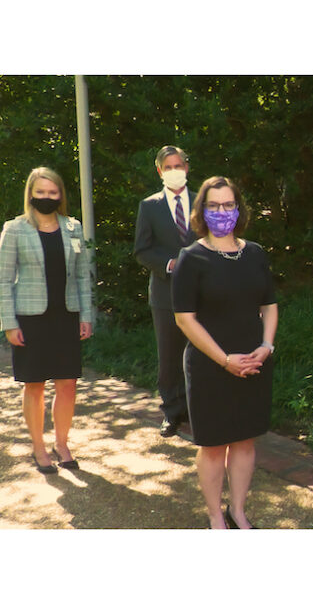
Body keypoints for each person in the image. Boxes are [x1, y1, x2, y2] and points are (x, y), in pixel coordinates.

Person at [172, 176, 277, 530]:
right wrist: (224, 360)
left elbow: (270, 305)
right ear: (202, 210)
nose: (222, 212)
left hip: (253, 362)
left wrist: (266, 347)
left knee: (245, 441)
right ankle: (215, 515)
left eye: (228, 204)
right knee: (215, 445)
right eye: (214, 205)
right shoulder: (191, 258)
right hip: (210, 366)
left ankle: (238, 511)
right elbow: (185, 319)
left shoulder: (256, 253)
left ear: (238, 208)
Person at [0, 167, 93, 474]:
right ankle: (38, 448)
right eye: (40, 192)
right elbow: (3, 280)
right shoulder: (15, 229)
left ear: (60, 195)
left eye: (52, 192)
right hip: (30, 319)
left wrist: (86, 315)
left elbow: (82, 276)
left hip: (66, 316)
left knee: (67, 384)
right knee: (35, 385)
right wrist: (9, 323)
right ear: (30, 194)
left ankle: (62, 444)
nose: (46, 197)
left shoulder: (73, 228)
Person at [134, 145, 196, 437]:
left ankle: (198, 408)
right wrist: (168, 264)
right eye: (168, 167)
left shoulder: (203, 202)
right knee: (170, 355)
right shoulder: (150, 206)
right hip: (165, 293)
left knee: (201, 352)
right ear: (159, 171)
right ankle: (172, 412)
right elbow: (142, 250)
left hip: (201, 293)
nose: (174, 171)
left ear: (187, 167)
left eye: (178, 165)